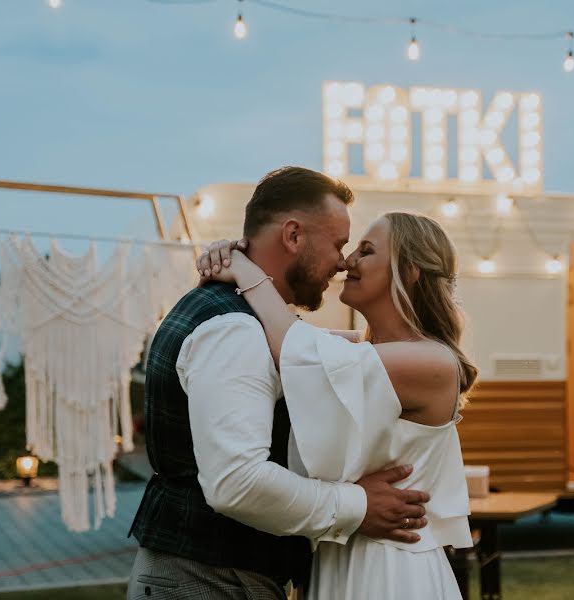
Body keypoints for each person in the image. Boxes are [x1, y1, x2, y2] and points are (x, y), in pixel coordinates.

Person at [127, 167, 430, 600]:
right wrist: (359, 506)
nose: (343, 262)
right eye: (338, 244)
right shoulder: (235, 329)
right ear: (293, 236)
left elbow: (330, 351)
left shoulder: (241, 319)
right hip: (208, 581)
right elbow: (238, 482)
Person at [198, 210, 477, 599]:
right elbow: (302, 345)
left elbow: (296, 350)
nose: (347, 262)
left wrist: (244, 270)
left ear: (409, 271)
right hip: (338, 555)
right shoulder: (358, 354)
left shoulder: (431, 362)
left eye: (366, 251)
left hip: (390, 570)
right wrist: (228, 254)